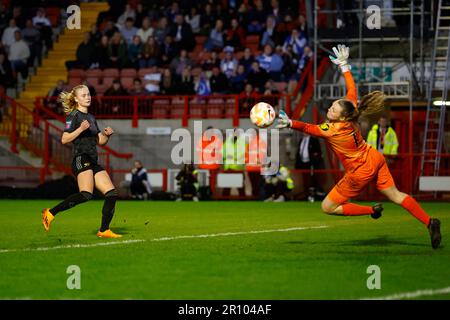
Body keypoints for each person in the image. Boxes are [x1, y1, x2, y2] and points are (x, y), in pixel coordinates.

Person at [276, 44, 441, 249]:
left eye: (334, 107)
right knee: (397, 196)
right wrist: (344, 66)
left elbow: (309, 128)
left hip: (360, 170)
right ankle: (429, 222)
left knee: (328, 206)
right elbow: (352, 90)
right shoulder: (351, 111)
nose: (330, 107)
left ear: (342, 115)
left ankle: (370, 211)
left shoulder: (332, 129)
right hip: (374, 157)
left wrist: (290, 123)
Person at [41, 85, 121, 238]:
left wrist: (107, 135)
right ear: (76, 99)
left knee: (111, 193)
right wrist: (79, 129)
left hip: (93, 159)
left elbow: (100, 141)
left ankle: (104, 230)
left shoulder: (91, 117)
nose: (88, 97)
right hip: (80, 158)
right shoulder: (74, 116)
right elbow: (64, 139)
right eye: (84, 95)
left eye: (89, 94)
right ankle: (50, 213)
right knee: (86, 194)